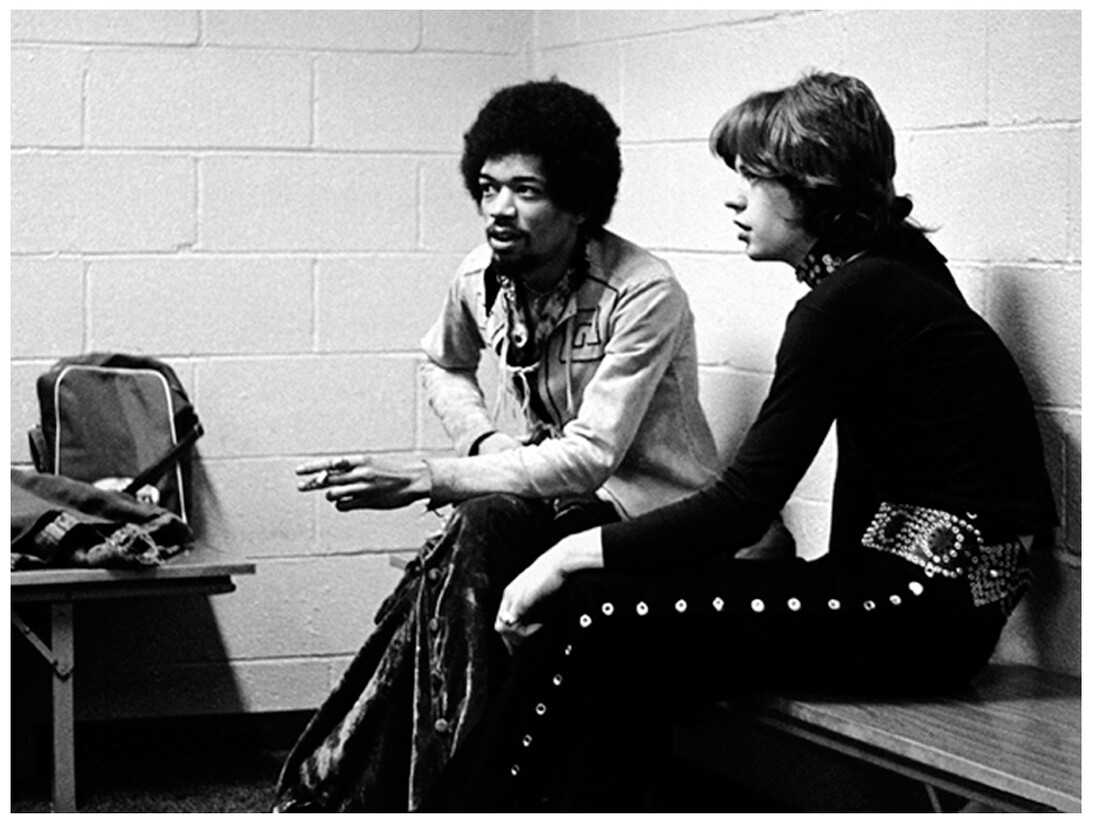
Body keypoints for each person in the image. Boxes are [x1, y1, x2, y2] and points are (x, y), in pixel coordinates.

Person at [422, 72, 1059, 811]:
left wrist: (563, 555)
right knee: (609, 630)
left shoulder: (850, 300)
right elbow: (871, 471)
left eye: (754, 179)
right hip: (920, 608)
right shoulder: (893, 271)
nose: (734, 199)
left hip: (919, 615)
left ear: (814, 189)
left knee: (593, 610)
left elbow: (740, 506)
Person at [274, 79, 787, 812]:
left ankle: (458, 789)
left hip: (645, 517)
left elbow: (590, 458)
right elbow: (443, 362)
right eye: (488, 187)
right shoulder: (477, 277)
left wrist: (430, 476)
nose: (497, 209)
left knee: (490, 550)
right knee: (475, 537)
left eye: (525, 190)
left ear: (578, 205)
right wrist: (482, 441)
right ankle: (429, 783)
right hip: (545, 502)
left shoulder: (644, 292)